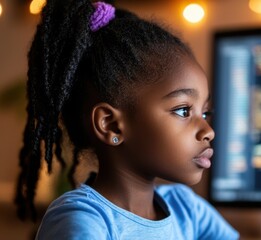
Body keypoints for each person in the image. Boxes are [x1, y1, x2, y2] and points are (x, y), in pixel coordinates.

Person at [14, 0, 239, 239]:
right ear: (111, 125)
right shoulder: (83, 219)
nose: (208, 130)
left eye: (205, 113)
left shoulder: (187, 209)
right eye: (184, 110)